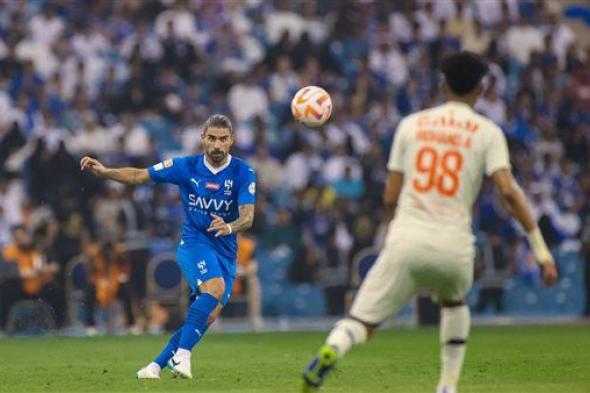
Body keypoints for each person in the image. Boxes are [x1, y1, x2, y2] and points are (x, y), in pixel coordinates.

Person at [301, 52, 558, 393]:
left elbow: (390, 197)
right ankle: (447, 386)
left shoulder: (413, 125)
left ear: (443, 84)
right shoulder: (488, 132)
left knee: (361, 321)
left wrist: (395, 232)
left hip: (407, 237)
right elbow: (509, 193)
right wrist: (541, 251)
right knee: (454, 302)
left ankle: (334, 348)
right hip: (455, 243)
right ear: (480, 89)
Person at [80, 114, 256, 379]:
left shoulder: (243, 171)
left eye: (222, 139)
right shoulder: (186, 166)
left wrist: (230, 226)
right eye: (212, 139)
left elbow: (248, 217)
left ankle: (154, 367)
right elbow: (140, 175)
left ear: (231, 140)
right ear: (202, 139)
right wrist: (105, 171)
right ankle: (183, 356)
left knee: (206, 316)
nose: (217, 145)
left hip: (225, 251)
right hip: (194, 243)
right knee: (215, 288)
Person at [0, 225, 65, 330]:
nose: (21, 241)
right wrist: (23, 273)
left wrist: (47, 269)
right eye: (18, 238)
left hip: (39, 285)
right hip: (20, 287)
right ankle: (3, 327)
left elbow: (55, 266)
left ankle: (60, 325)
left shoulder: (40, 248)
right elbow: (7, 272)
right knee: (6, 289)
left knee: (55, 290)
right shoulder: (9, 252)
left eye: (23, 237)